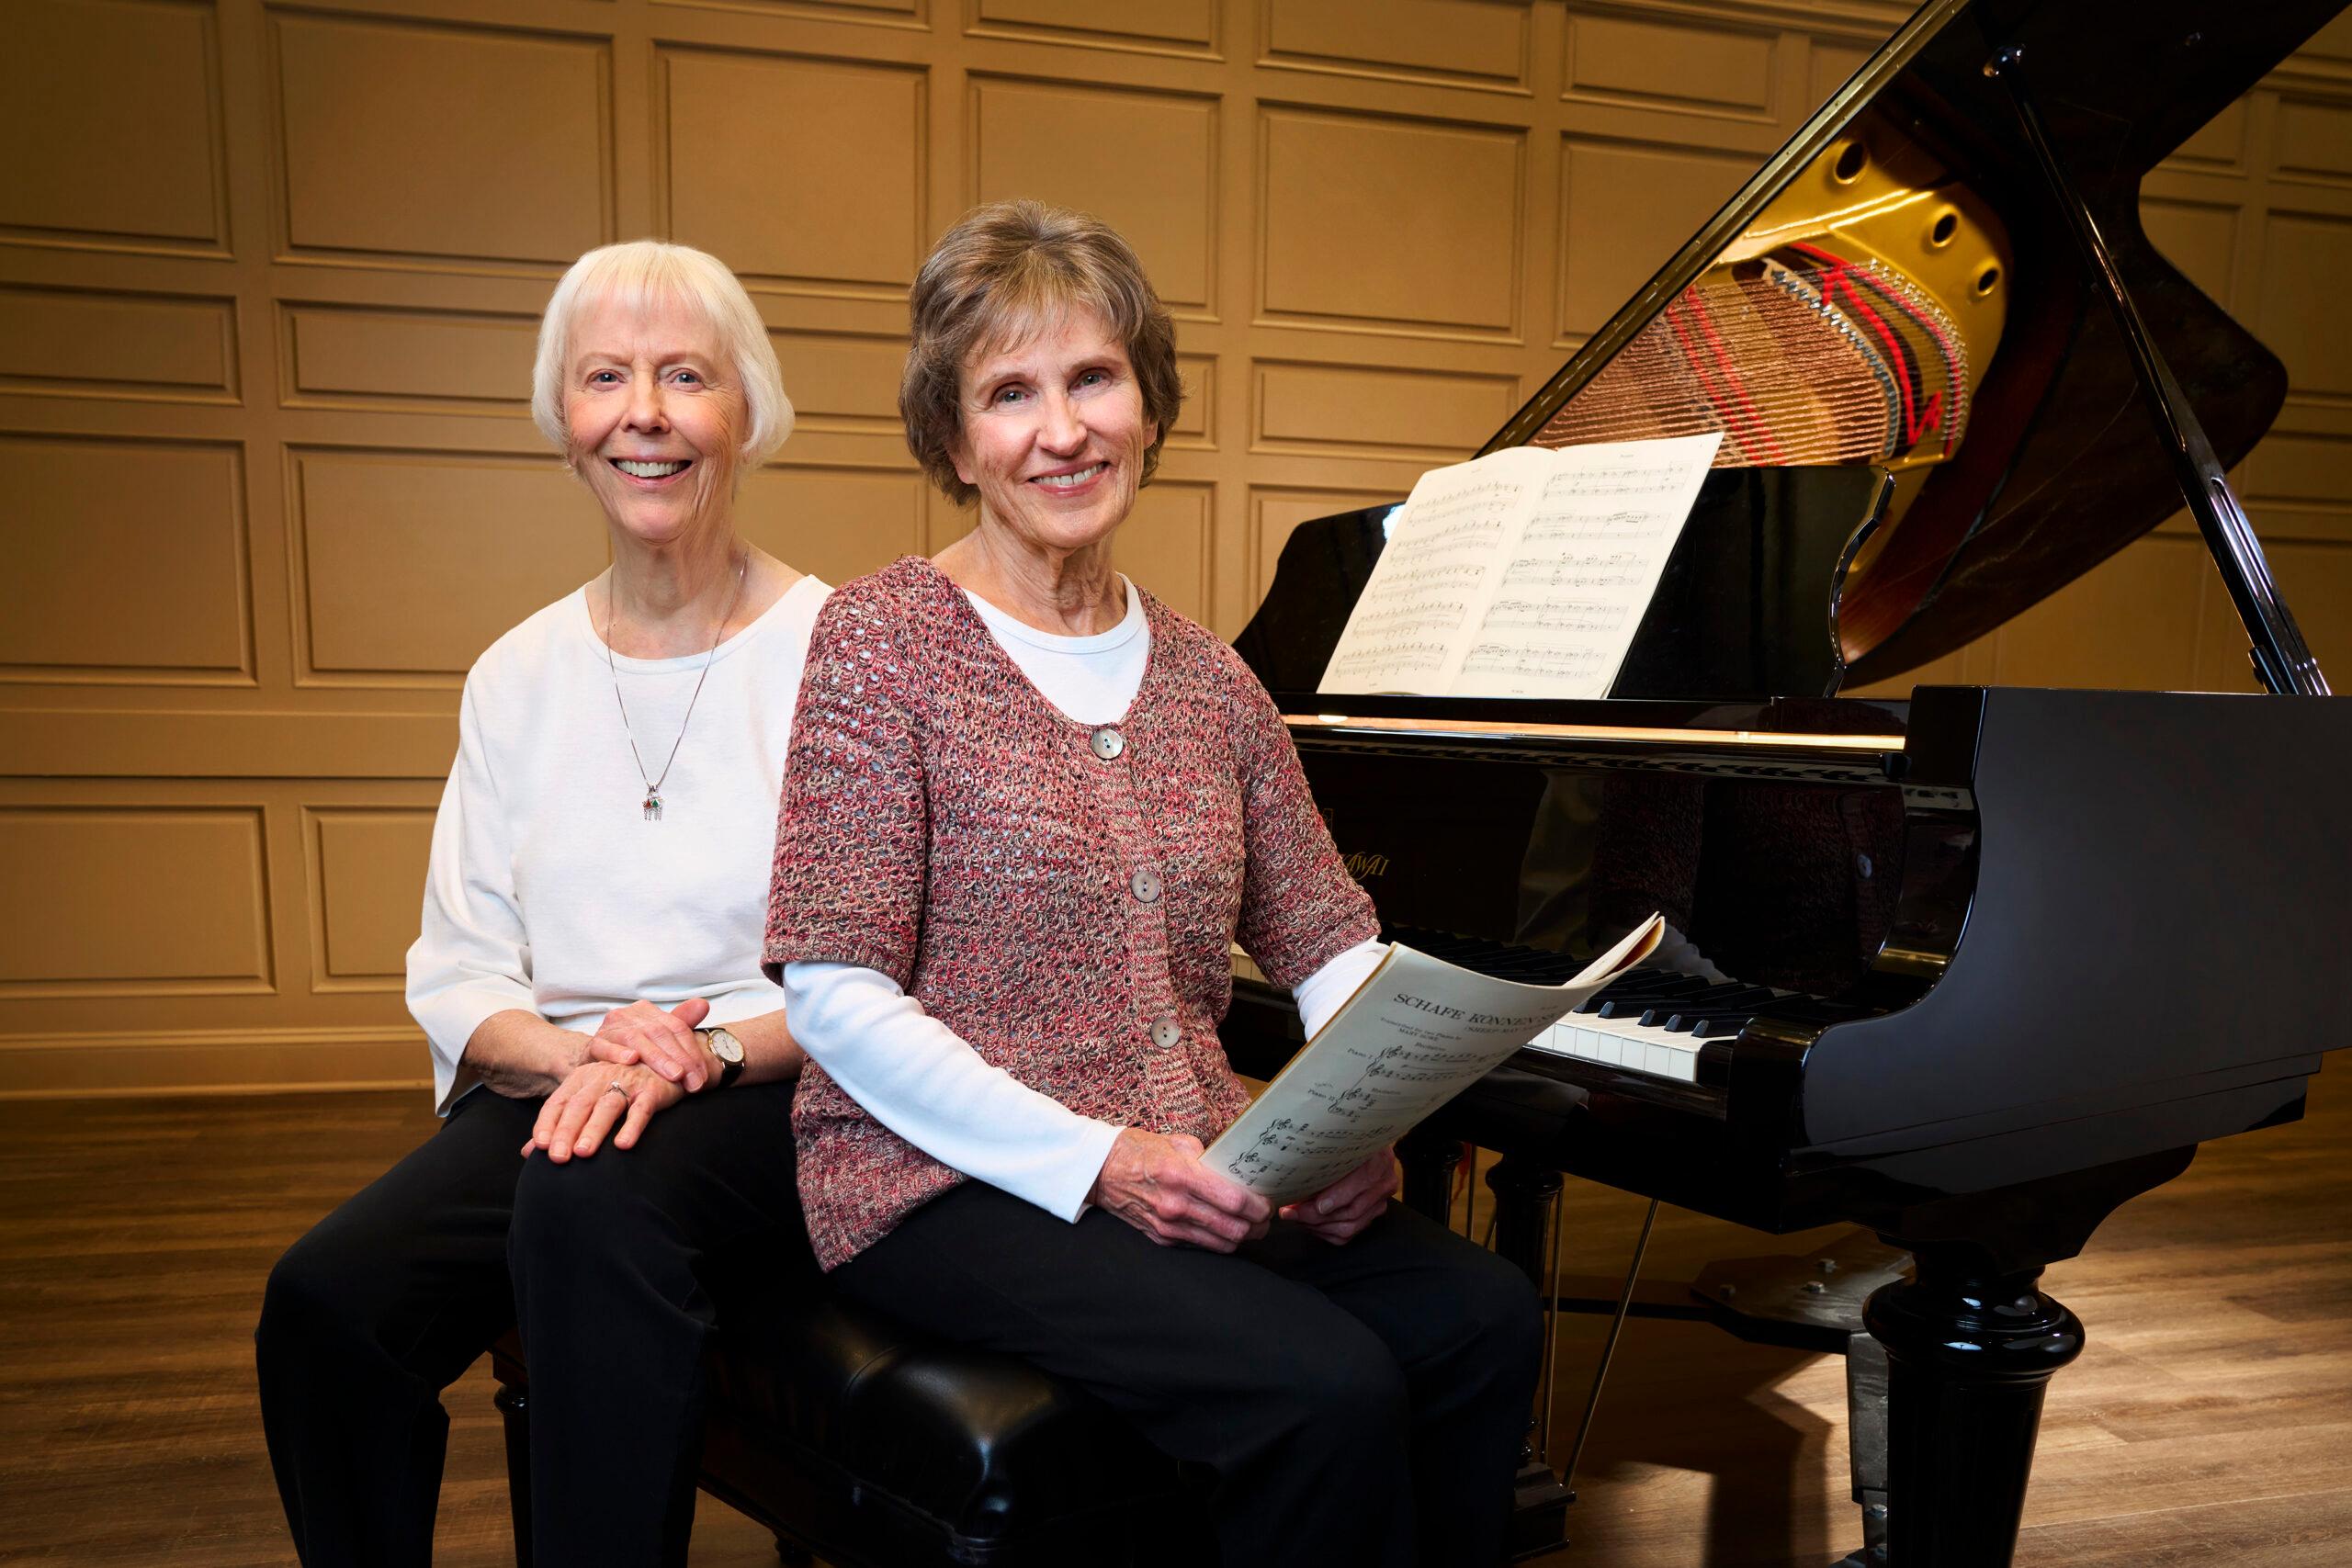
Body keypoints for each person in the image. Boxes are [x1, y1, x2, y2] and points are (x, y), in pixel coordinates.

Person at [762, 201, 1542, 1567]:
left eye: (1092, 378)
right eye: (1010, 393)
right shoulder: (882, 641)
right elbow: (832, 994)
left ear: (1147, 403)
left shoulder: (1214, 680)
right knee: (1323, 1389)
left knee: (1483, 1317)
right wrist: (1102, 1161)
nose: (1061, 429)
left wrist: (1365, 1123)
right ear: (955, 441)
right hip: (941, 1185)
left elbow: (1329, 941)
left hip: (1193, 1157)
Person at [256, 240, 829, 1568]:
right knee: (324, 1303)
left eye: (686, 376)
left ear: (745, 409)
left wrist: (685, 1056)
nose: (646, 413)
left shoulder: (836, 649)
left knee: (591, 1206)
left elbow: (883, 960)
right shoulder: (515, 674)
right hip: (561, 1083)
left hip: (771, 1082)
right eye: (606, 379)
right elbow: (461, 968)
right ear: (563, 423)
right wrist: (589, 1059)